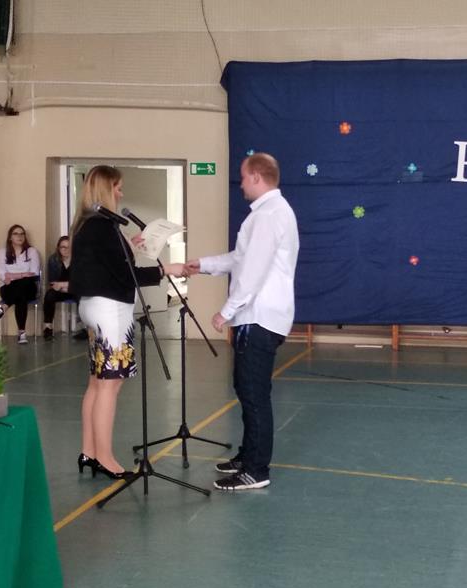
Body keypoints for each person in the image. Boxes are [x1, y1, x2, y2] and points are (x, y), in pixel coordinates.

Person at [186, 152, 299, 491]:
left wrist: (227, 311)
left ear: (256, 177)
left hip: (259, 317)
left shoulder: (268, 215)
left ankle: (256, 470)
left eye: (243, 177)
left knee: (254, 393)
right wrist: (203, 265)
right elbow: (241, 258)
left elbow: (253, 271)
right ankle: (248, 455)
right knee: (246, 388)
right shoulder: (268, 213)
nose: (241, 184)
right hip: (260, 316)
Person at [69, 165, 186, 479]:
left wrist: (131, 247)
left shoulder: (88, 224)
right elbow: (125, 275)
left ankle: (89, 451)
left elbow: (106, 264)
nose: (121, 194)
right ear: (106, 189)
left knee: (97, 382)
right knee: (110, 384)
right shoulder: (103, 227)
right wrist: (167, 269)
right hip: (110, 312)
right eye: (118, 188)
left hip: (93, 307)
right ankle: (105, 458)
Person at [0, 224, 41, 345]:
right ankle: (21, 333)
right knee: (21, 295)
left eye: (22, 234)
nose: (20, 236)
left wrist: (12, 276)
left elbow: (34, 273)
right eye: (16, 234)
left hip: (29, 287)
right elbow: (2, 275)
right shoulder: (2, 252)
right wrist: (23, 274)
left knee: (24, 284)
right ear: (10, 237)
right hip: (8, 288)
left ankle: (4, 307)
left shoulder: (32, 251)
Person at [42, 236, 77, 341]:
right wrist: (66, 286)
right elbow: (53, 283)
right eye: (63, 247)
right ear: (58, 248)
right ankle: (48, 327)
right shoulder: (53, 260)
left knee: (85, 296)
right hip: (62, 291)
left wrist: (62, 284)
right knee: (49, 295)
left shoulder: (79, 260)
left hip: (75, 290)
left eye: (69, 247)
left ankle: (85, 328)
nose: (66, 250)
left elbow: (81, 282)